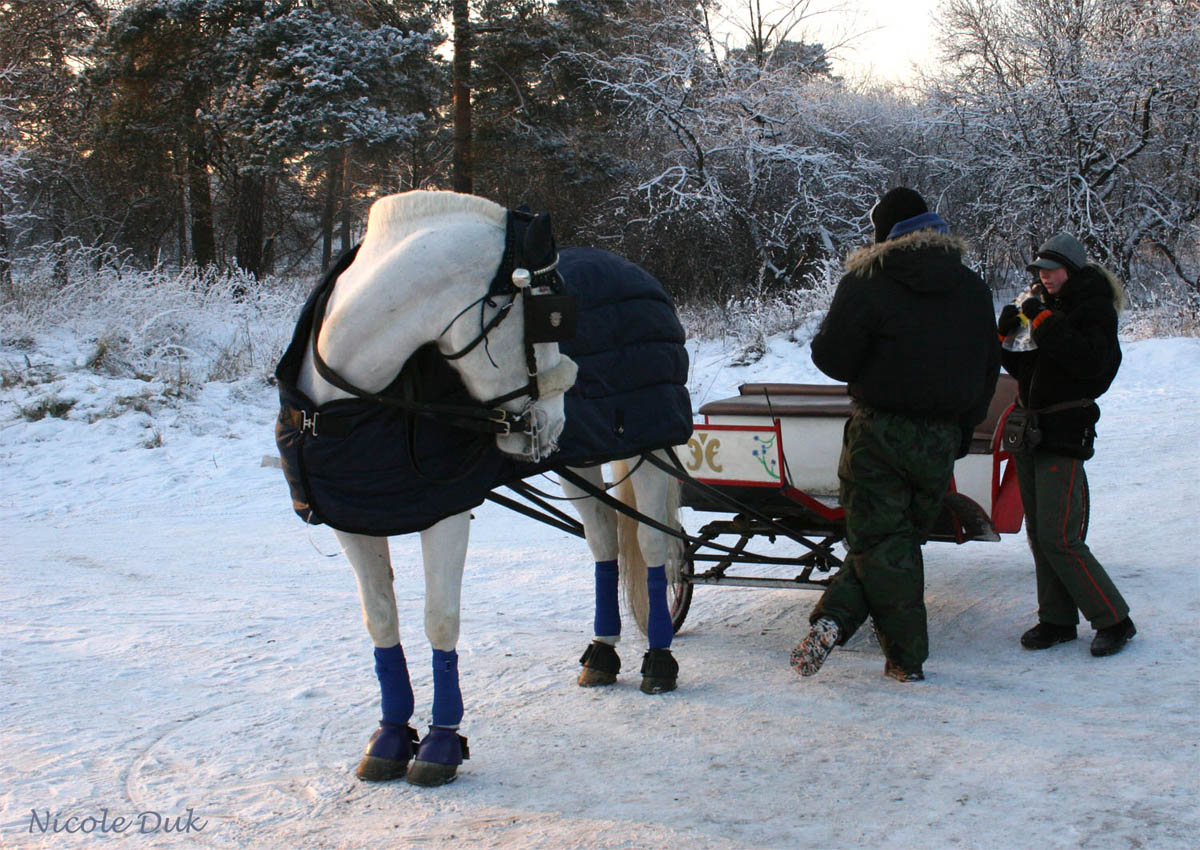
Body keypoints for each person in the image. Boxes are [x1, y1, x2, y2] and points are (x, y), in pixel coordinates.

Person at [791, 187, 1000, 682]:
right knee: (896, 543)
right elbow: (987, 368)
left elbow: (832, 358)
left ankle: (904, 658)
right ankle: (833, 622)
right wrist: (959, 430)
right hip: (941, 439)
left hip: (878, 434)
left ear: (884, 233)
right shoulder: (972, 288)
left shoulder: (867, 281)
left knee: (879, 544)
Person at [996, 232, 1135, 657]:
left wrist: (1042, 320)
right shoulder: (1045, 306)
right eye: (1039, 270)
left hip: (1064, 430)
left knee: (1060, 535)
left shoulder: (1093, 308)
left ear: (1071, 269)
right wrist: (1005, 339)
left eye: (1051, 270)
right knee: (1040, 534)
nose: (1044, 277)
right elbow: (1026, 368)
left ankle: (1114, 618)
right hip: (1030, 429)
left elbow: (1091, 365)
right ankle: (1056, 619)